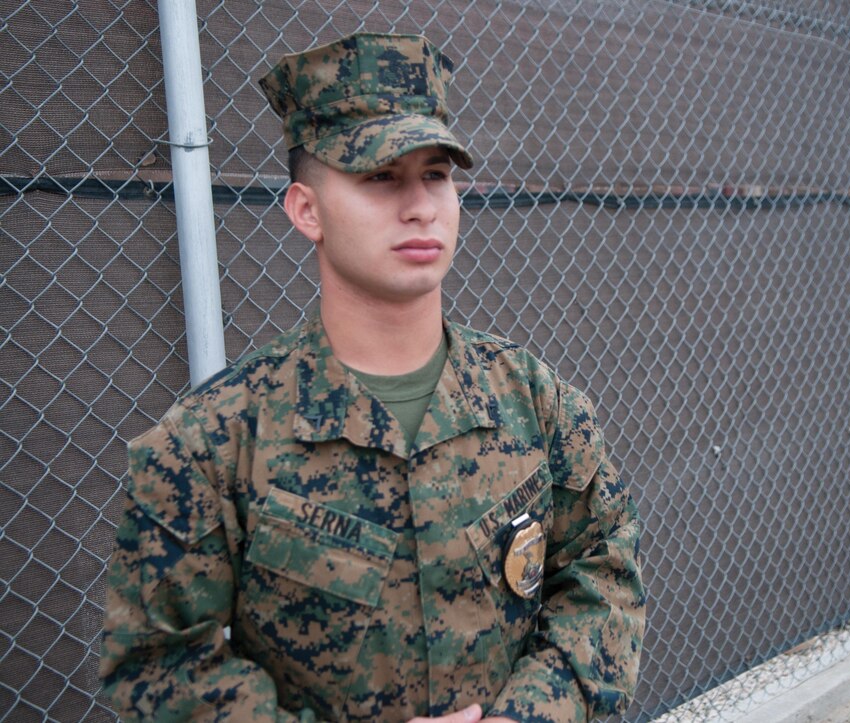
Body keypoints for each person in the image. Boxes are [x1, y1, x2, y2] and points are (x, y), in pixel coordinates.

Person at [100, 31, 645, 723]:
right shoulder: (209, 442)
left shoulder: (533, 400)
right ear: (306, 209)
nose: (419, 205)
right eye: (379, 176)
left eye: (436, 174)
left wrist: (530, 716)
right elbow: (159, 665)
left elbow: (602, 570)